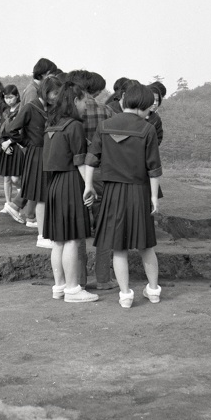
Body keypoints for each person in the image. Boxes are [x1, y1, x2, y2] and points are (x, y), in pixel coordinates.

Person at [84, 81, 163, 309]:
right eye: (150, 106)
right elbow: (153, 168)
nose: (150, 111)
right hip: (139, 191)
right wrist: (154, 197)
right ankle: (153, 291)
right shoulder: (147, 129)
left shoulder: (105, 126)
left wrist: (88, 185)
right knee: (146, 245)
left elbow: (91, 158)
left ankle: (126, 295)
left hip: (112, 193)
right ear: (143, 105)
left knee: (119, 247)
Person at [43, 81, 98, 304]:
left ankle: (59, 287)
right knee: (73, 240)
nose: (86, 106)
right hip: (71, 183)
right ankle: (73, 289)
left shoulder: (51, 126)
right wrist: (89, 186)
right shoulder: (74, 126)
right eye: (84, 101)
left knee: (58, 241)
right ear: (75, 101)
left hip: (54, 185)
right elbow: (80, 161)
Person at [68, 69, 114, 290]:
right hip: (101, 172)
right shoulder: (107, 111)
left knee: (78, 228)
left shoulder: (70, 113)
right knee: (104, 224)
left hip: (75, 172)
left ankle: (79, 279)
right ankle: (104, 278)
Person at [4, 75, 57, 240]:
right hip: (36, 153)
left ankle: (44, 231)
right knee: (41, 195)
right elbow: (12, 129)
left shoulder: (50, 108)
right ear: (46, 91)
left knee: (45, 193)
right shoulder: (30, 107)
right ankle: (42, 234)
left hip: (48, 152)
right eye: (55, 93)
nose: (57, 97)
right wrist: (27, 143)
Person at [0, 84, 25, 211]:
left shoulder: (22, 109)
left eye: (11, 97)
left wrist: (9, 142)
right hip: (6, 147)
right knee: (7, 178)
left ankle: (21, 196)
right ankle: (7, 204)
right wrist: (3, 143)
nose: (8, 100)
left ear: (17, 96)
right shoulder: (6, 112)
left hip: (18, 146)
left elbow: (22, 131)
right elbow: (1, 131)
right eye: (6, 98)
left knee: (16, 178)